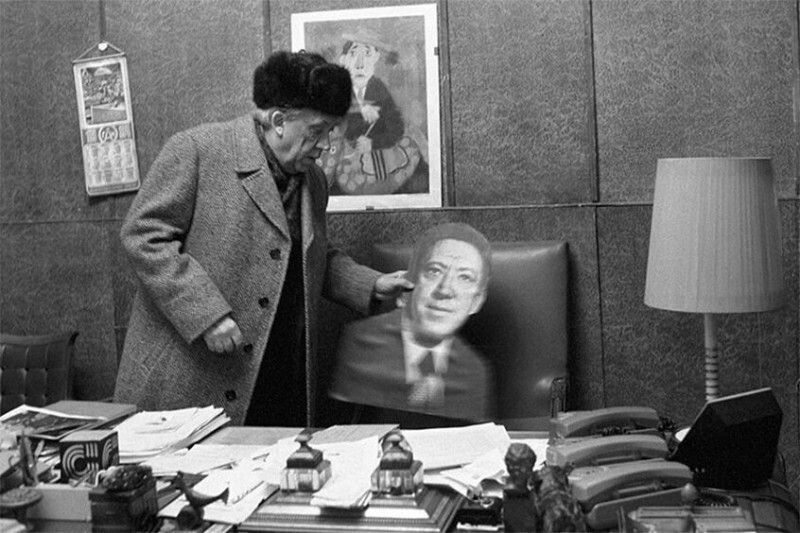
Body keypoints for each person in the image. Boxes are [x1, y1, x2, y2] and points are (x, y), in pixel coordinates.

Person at [113, 50, 412, 427]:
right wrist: (206, 315)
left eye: (331, 132)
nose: (325, 145)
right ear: (278, 121)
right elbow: (143, 234)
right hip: (190, 379)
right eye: (317, 130)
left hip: (275, 378)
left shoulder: (314, 180)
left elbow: (311, 254)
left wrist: (372, 284)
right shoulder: (197, 150)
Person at [329, 222, 495, 424]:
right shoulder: (363, 347)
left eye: (465, 277)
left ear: (476, 302)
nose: (445, 289)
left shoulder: (473, 370)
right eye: (434, 271)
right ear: (406, 289)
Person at [320, 27, 428, 196]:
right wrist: (358, 110)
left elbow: (396, 127)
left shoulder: (380, 90)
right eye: (354, 54)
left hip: (374, 158)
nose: (360, 64)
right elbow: (330, 124)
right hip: (342, 162)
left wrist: (372, 143)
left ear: (375, 59)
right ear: (344, 60)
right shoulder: (337, 91)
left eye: (367, 54)